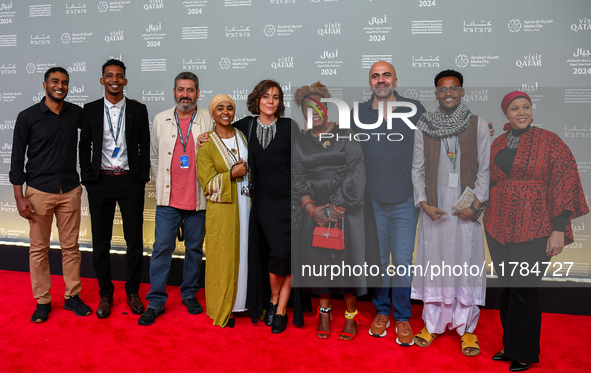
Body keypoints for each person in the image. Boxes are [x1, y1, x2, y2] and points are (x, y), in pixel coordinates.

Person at [484, 91, 588, 371]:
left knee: (524, 290)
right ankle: (510, 346)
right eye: (515, 108)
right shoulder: (497, 144)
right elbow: (488, 182)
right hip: (498, 226)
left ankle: (525, 352)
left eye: (526, 107)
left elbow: (566, 182)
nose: (521, 112)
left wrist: (558, 230)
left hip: (536, 226)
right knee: (506, 287)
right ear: (506, 114)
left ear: (532, 111)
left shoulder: (550, 141)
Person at [411, 70, 490, 356]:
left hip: (466, 209)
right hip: (435, 207)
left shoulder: (478, 124)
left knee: (465, 263)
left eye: (453, 88)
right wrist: (423, 202)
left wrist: (476, 205)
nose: (448, 93)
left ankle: (466, 328)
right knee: (434, 263)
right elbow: (416, 169)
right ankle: (432, 324)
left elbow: (484, 169)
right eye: (442, 89)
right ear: (436, 94)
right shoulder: (423, 125)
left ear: (462, 92)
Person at [10, 67, 91, 322]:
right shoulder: (27, 117)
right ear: (44, 85)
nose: (60, 86)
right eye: (55, 82)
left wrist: (125, 104)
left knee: (71, 248)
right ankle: (43, 301)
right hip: (38, 192)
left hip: (69, 189)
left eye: (65, 83)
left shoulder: (76, 114)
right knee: (38, 249)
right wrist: (18, 196)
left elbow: (100, 117)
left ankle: (72, 297)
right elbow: (16, 159)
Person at [353, 61, 425, 345]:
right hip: (371, 200)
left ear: (396, 79)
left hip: (406, 198)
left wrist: (476, 128)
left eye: (386, 75)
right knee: (379, 261)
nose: (381, 80)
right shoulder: (358, 112)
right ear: (369, 82)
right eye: (375, 76)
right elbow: (340, 144)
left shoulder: (415, 109)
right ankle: (382, 311)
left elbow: (438, 137)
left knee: (403, 262)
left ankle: (403, 317)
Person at [292, 82, 369, 340]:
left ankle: (350, 316)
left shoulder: (347, 134)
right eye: (307, 109)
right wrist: (311, 208)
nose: (313, 112)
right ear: (302, 113)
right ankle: (324, 313)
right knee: (319, 262)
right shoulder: (300, 142)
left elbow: (356, 172)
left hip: (346, 208)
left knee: (346, 263)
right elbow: (297, 176)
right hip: (314, 209)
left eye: (318, 107)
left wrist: (338, 206)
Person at [138, 72, 212, 326]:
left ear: (198, 93)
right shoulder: (160, 119)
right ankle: (156, 301)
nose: (185, 95)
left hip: (198, 198)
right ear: (174, 92)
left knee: (194, 249)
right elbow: (155, 157)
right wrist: (163, 186)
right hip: (168, 200)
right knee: (161, 250)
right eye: (181, 89)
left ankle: (189, 293)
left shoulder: (208, 119)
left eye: (190, 90)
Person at [79, 59, 150, 319]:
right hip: (100, 182)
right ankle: (105, 294)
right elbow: (84, 145)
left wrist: (142, 176)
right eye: (109, 76)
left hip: (130, 181)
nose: (115, 80)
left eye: (119, 76)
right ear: (102, 80)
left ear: (125, 81)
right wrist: (88, 177)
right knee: (101, 243)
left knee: (134, 241)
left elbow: (144, 144)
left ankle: (132, 292)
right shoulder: (90, 110)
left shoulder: (137, 110)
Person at [196, 94, 250, 328]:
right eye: (220, 108)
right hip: (223, 209)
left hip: (248, 206)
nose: (225, 111)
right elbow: (207, 184)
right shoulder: (206, 142)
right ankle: (223, 307)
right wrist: (230, 175)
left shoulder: (243, 136)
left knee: (247, 254)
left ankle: (246, 303)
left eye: (229, 107)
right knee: (223, 258)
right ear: (212, 113)